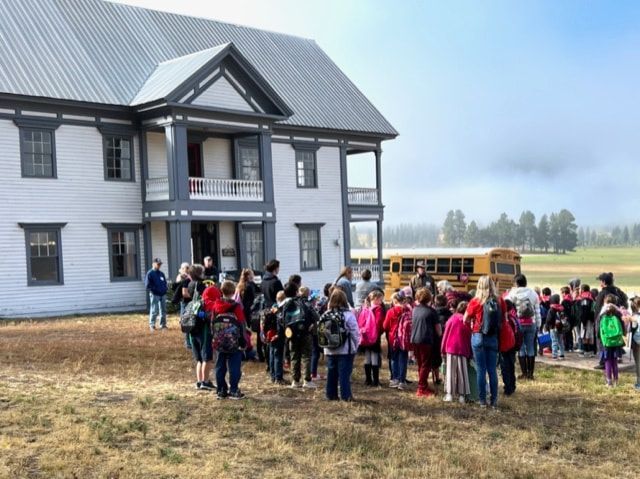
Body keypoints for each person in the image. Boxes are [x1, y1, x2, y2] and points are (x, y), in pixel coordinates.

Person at [463, 276, 507, 409]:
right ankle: (494, 401)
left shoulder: (475, 301)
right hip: (493, 337)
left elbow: (465, 319)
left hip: (478, 336)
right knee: (492, 370)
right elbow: (504, 320)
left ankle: (482, 401)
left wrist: (472, 325)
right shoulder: (500, 301)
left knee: (481, 370)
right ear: (493, 285)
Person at [211, 280, 247, 399]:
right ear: (233, 292)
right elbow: (241, 324)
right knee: (234, 367)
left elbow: (212, 323)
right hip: (234, 342)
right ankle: (234, 390)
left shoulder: (216, 305)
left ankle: (221, 390)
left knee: (219, 367)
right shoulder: (236, 307)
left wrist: (214, 338)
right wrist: (243, 340)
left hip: (219, 341)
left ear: (222, 291)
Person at [322, 289, 360, 401]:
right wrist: (355, 346)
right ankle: (346, 396)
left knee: (331, 373)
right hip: (345, 349)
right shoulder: (348, 315)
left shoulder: (326, 314)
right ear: (344, 300)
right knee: (344, 374)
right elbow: (355, 333)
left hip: (329, 349)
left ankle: (331, 394)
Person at [281, 282, 317, 389]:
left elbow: (282, 320)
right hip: (305, 332)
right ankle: (307, 381)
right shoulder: (304, 302)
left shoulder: (285, 304)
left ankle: (295, 381)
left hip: (292, 334)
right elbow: (316, 316)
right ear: (296, 292)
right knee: (306, 356)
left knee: (294, 357)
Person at [507, 274, 541, 380]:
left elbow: (506, 303)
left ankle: (524, 373)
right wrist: (538, 325)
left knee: (521, 348)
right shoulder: (533, 293)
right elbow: (537, 311)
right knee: (530, 348)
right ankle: (531, 374)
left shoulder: (512, 293)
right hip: (531, 323)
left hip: (519, 324)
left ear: (516, 282)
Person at [410, 288, 441, 397]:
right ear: (429, 298)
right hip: (426, 340)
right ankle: (421, 388)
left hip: (415, 339)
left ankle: (423, 384)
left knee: (420, 364)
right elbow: (438, 330)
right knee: (425, 365)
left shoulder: (414, 309)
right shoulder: (432, 311)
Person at [189, 264, 215, 391]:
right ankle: (205, 381)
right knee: (207, 356)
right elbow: (205, 304)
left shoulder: (190, 284)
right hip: (202, 324)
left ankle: (200, 381)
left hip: (191, 325)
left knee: (198, 357)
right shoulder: (201, 286)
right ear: (199, 273)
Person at [594, 273, 628, 369]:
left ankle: (603, 362)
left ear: (604, 282)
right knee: (613, 340)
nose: (600, 283)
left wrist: (597, 323)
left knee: (603, 342)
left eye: (600, 281)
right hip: (616, 322)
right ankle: (614, 359)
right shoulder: (616, 291)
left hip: (604, 322)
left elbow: (597, 309)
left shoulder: (603, 294)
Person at [441, 301, 472, 403]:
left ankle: (449, 394)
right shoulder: (467, 321)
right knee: (462, 372)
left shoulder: (452, 319)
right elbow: (469, 338)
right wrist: (470, 353)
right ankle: (462, 396)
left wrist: (442, 349)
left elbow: (445, 334)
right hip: (463, 349)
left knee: (450, 371)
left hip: (450, 348)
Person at [383, 291, 412, 389]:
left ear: (395, 300)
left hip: (393, 339)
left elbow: (385, 326)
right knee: (403, 359)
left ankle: (395, 379)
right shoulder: (407, 310)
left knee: (394, 359)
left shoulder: (391, 311)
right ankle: (402, 381)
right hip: (404, 339)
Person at [358, 289, 386, 387]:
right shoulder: (378, 309)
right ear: (376, 299)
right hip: (374, 337)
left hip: (365, 336)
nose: (381, 301)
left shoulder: (365, 308)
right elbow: (379, 324)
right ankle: (376, 381)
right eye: (381, 299)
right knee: (374, 358)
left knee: (367, 358)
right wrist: (380, 332)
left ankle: (368, 380)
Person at [599, 296, 625, 387]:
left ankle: (609, 382)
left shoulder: (603, 316)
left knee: (608, 361)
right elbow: (622, 328)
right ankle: (616, 381)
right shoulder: (618, 315)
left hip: (607, 342)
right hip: (617, 342)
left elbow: (600, 330)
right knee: (614, 362)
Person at [499, 300, 519, 396]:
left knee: (505, 368)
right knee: (511, 366)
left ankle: (508, 388)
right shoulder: (514, 317)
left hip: (504, 346)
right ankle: (512, 385)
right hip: (513, 345)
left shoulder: (505, 319)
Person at [144, 258, 168, 331]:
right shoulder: (150, 273)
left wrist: (165, 289)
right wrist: (155, 290)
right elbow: (147, 285)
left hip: (163, 294)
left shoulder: (161, 274)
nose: (159, 265)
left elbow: (164, 283)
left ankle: (163, 325)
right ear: (153, 264)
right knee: (154, 310)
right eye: (158, 264)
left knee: (163, 310)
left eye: (160, 264)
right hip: (155, 295)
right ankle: (152, 325)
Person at [432, 294, 451, 385]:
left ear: (435, 303)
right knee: (447, 360)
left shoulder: (432, 313)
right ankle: (447, 378)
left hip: (435, 339)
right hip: (448, 340)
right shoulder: (450, 314)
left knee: (435, 360)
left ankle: (437, 378)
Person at [576, 284, 596, 357]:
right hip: (591, 319)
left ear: (583, 290)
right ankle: (591, 351)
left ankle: (586, 351)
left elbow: (584, 311)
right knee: (590, 335)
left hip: (585, 320)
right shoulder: (591, 297)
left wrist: (583, 322)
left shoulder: (584, 299)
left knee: (585, 336)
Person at [545, 294, 566, 360]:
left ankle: (555, 355)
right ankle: (562, 354)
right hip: (560, 327)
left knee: (554, 341)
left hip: (553, 327)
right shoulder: (561, 308)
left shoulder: (551, 309)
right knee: (560, 341)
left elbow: (548, 319)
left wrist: (546, 326)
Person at [629, 297, 640, 391]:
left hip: (637, 341)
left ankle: (639, 383)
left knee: (638, 362)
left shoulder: (635, 317)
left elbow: (633, 329)